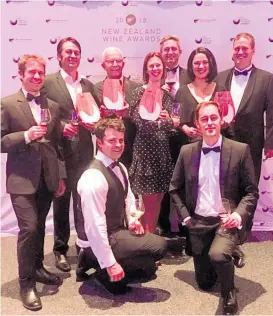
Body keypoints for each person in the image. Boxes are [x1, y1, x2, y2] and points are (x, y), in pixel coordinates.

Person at [169, 101, 259, 315]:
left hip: (225, 221)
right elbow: (174, 188)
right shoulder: (186, 151)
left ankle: (229, 292)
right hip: (198, 221)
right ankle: (230, 251)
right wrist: (185, 218)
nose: (209, 123)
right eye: (204, 119)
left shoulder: (240, 150)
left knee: (218, 255)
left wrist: (238, 215)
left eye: (213, 117)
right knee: (205, 283)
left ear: (221, 120)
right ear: (197, 124)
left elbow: (251, 192)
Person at [1, 55, 66, 311]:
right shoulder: (7, 103)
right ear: (21, 74)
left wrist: (60, 176)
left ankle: (38, 268)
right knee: (28, 228)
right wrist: (26, 136)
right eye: (32, 72)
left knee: (39, 228)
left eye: (41, 72)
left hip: (46, 177)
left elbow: (57, 145)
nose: (37, 77)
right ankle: (26, 284)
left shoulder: (52, 105)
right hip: (21, 180)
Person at [75, 117, 167, 295]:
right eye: (112, 140)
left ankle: (98, 263)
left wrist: (133, 220)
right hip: (96, 240)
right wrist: (110, 264)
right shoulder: (93, 178)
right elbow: (94, 227)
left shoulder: (121, 167)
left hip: (116, 232)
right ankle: (94, 262)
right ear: (100, 143)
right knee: (160, 245)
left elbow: (128, 199)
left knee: (148, 269)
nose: (118, 145)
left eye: (121, 140)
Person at [43, 37, 96, 272]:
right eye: (68, 52)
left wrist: (94, 124)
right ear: (59, 56)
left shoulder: (87, 85)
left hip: (85, 152)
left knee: (84, 202)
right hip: (60, 153)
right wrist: (60, 126)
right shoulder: (48, 82)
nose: (73, 56)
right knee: (62, 202)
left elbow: (91, 113)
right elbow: (41, 114)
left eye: (76, 52)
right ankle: (60, 250)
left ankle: (84, 245)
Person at [129, 52, 179, 234]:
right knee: (147, 204)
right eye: (152, 65)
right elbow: (142, 125)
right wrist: (167, 122)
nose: (156, 68)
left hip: (162, 154)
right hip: (146, 155)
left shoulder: (167, 95)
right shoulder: (137, 93)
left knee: (158, 201)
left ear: (164, 69)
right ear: (146, 69)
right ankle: (147, 245)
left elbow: (175, 126)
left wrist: (169, 123)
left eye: (159, 65)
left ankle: (149, 241)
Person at [216, 32, 273, 183]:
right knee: (226, 187)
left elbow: (272, 114)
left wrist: (271, 143)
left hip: (252, 143)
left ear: (253, 51)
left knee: (249, 187)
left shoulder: (267, 79)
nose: (240, 52)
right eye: (237, 48)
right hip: (224, 141)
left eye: (245, 48)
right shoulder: (220, 77)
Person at [159, 35, 190, 236]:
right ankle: (164, 229)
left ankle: (188, 231)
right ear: (161, 53)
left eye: (173, 49)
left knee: (186, 184)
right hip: (161, 141)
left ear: (180, 52)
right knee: (163, 184)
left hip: (185, 139)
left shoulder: (191, 75)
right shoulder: (153, 75)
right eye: (166, 49)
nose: (170, 52)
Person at [93, 47, 141, 169]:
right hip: (106, 154)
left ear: (123, 64)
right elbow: (92, 126)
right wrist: (101, 116)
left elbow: (143, 121)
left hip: (133, 152)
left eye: (118, 61)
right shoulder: (96, 89)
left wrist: (128, 113)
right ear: (103, 65)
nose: (115, 64)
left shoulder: (137, 88)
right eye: (110, 61)